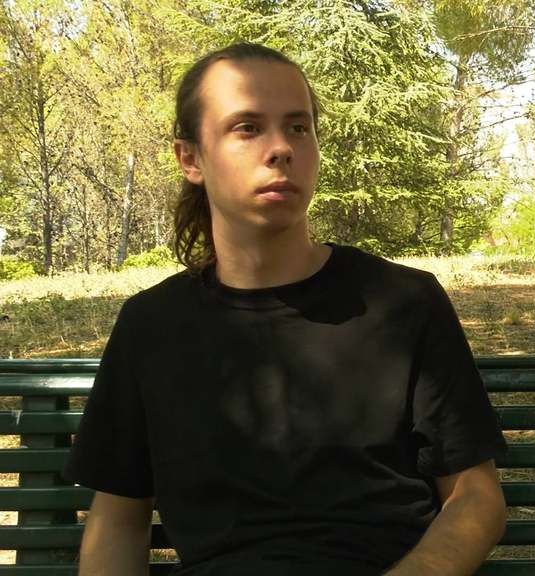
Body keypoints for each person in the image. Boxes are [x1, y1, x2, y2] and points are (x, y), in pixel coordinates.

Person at [64, 42, 507, 576]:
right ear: (191, 159)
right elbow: (117, 522)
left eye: (298, 127)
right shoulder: (151, 326)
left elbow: (475, 496)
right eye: (247, 128)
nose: (280, 148)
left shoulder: (405, 303)